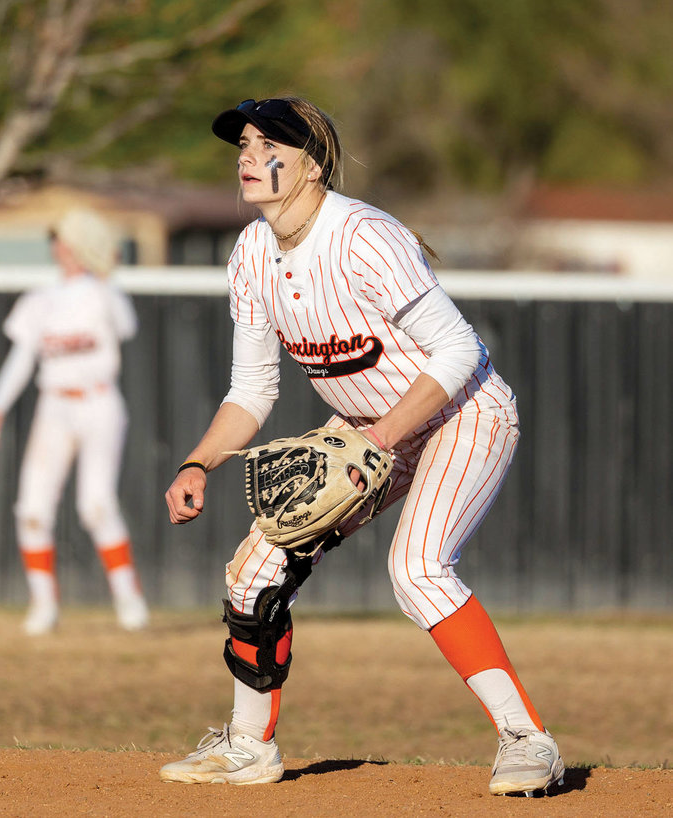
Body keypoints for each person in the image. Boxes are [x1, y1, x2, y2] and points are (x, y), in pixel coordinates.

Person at [159, 98, 564, 796]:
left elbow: (460, 349)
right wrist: (197, 462)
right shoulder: (251, 253)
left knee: (418, 569)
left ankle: (529, 740)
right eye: (245, 144)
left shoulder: (364, 237)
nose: (249, 157)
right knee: (253, 574)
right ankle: (248, 747)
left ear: (314, 166)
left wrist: (379, 437)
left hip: (463, 410)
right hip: (367, 429)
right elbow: (252, 388)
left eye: (270, 145)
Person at [0, 208, 149, 635]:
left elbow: (127, 325)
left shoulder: (104, 292)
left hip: (99, 402)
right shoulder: (40, 299)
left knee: (96, 505)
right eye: (57, 241)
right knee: (32, 509)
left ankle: (128, 597)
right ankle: (43, 605)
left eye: (69, 240)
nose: (62, 248)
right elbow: (21, 359)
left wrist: (107, 274)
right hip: (54, 405)